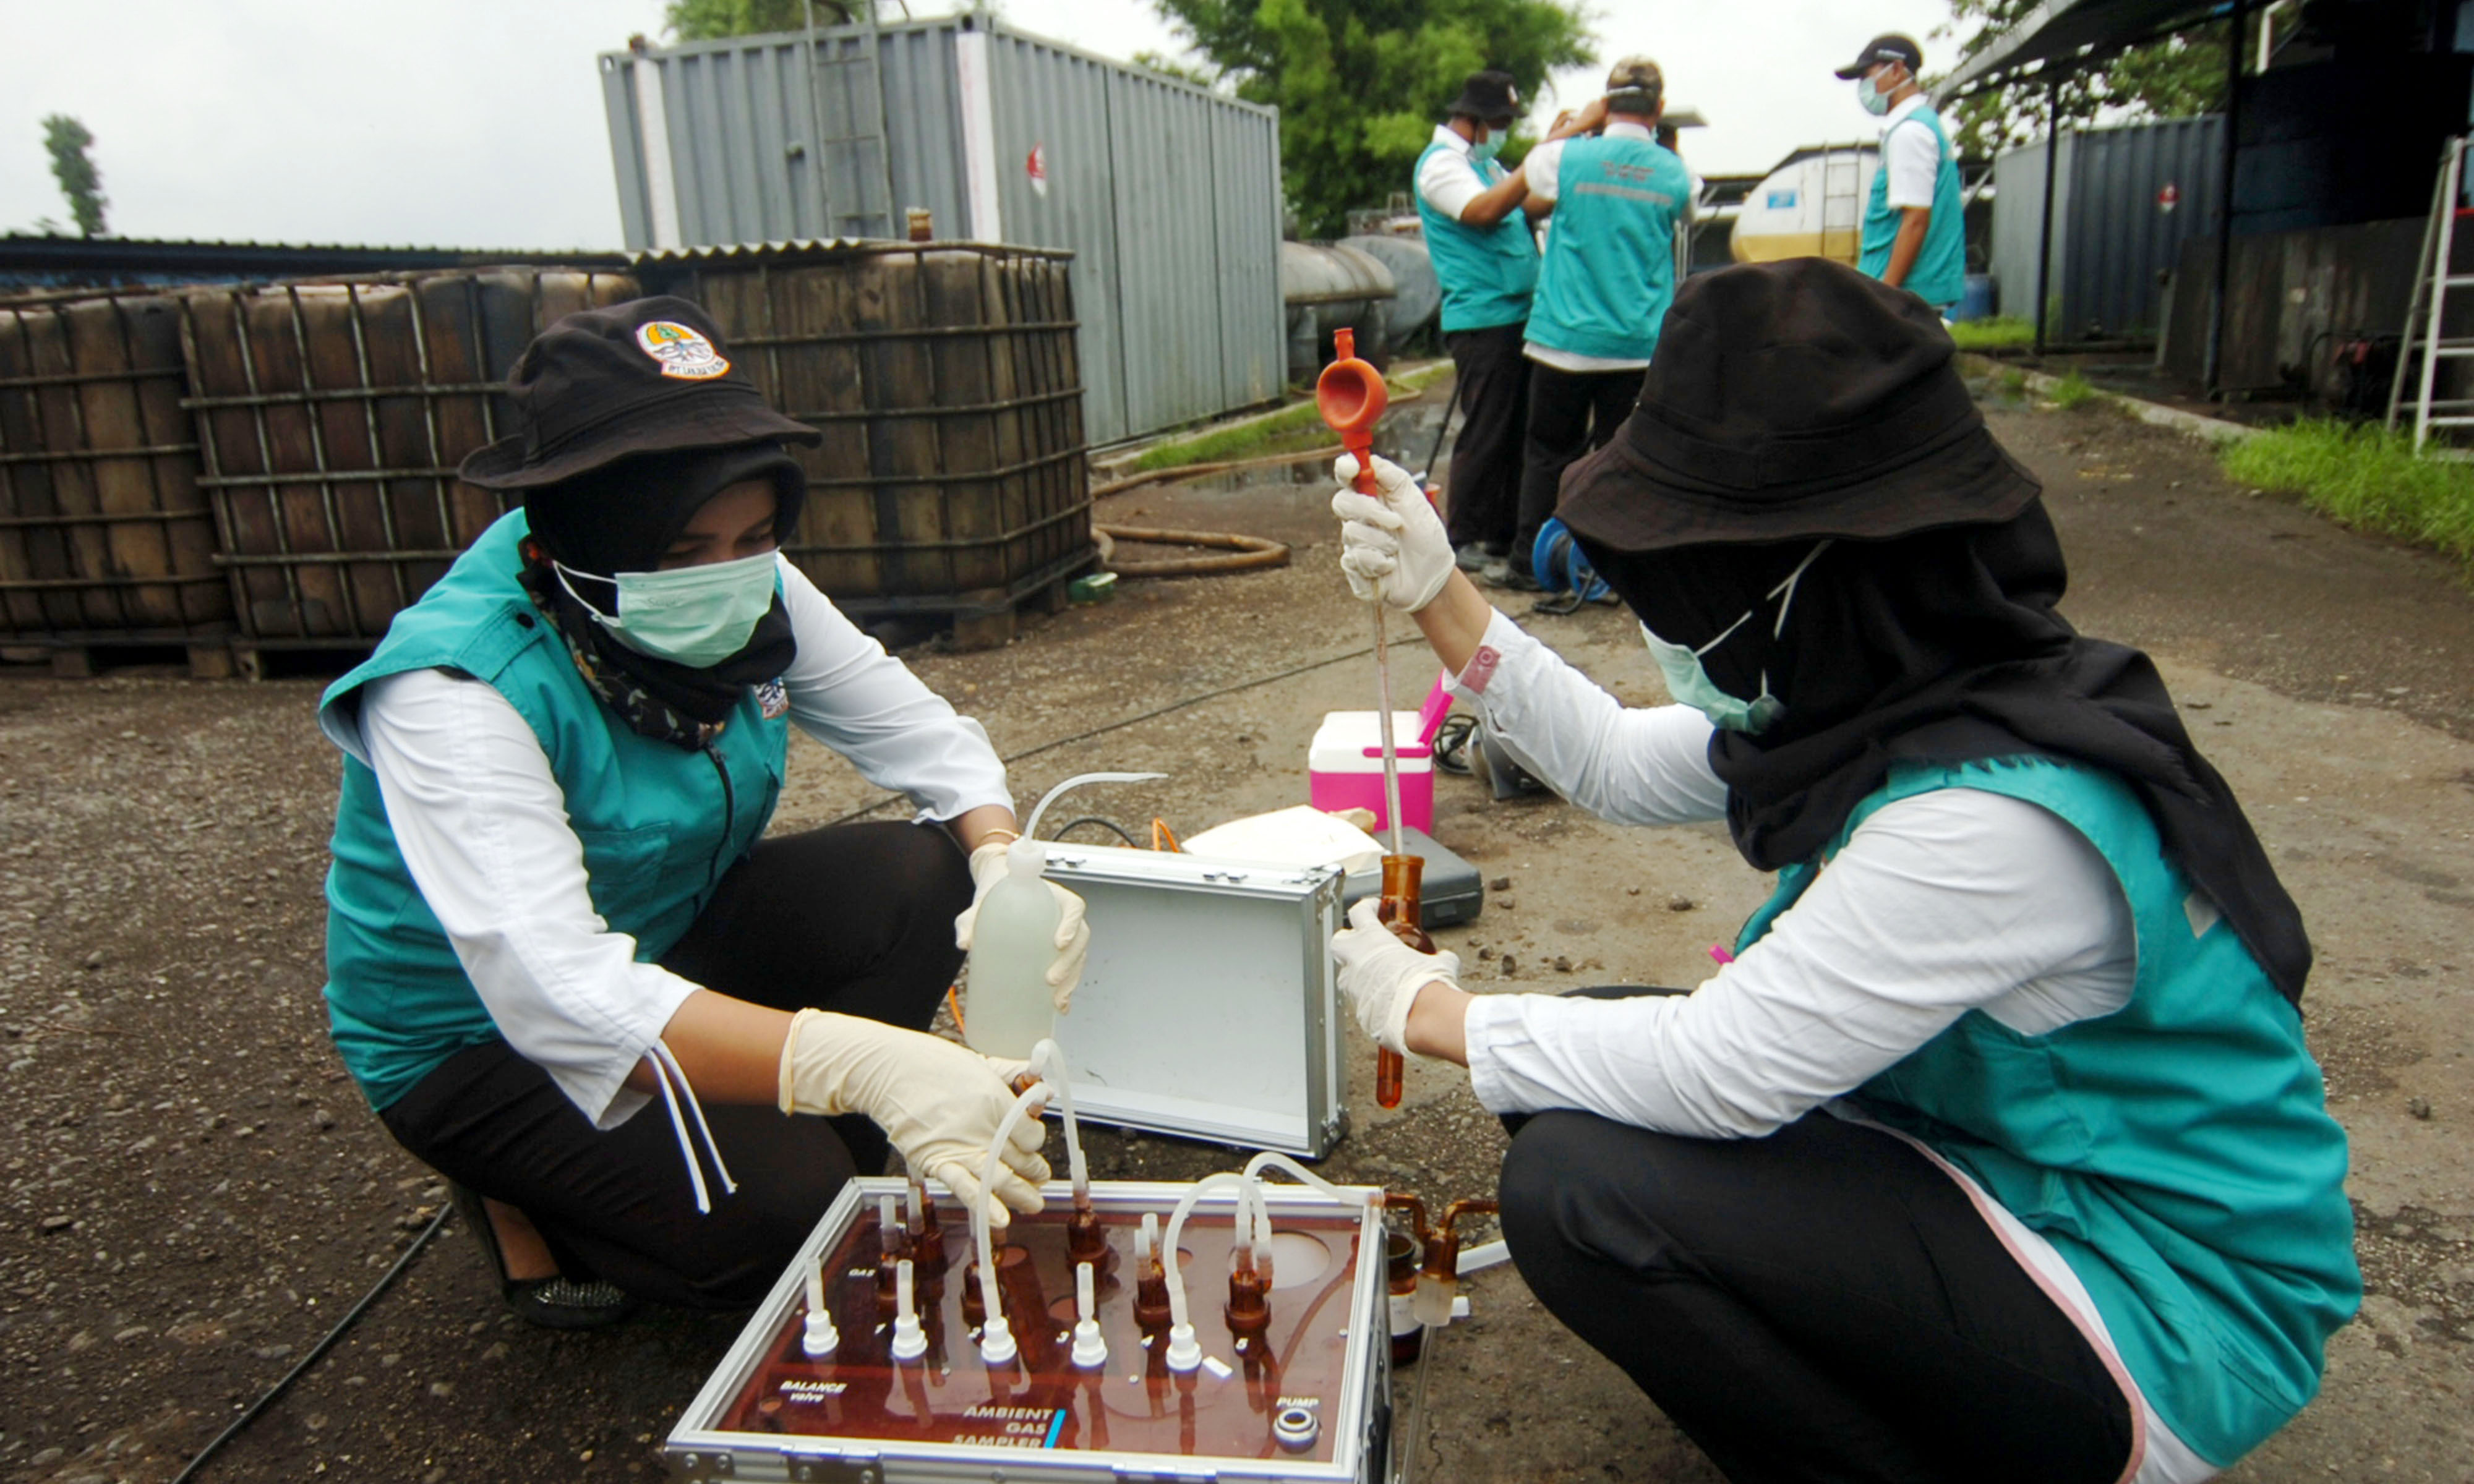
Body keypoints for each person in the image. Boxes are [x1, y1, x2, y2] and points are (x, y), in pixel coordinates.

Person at [1325, 259, 2358, 1482]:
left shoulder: (1992, 823)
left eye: (1693, 574)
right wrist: (1437, 588)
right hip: (2004, 1172)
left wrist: (1429, 1010)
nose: (1670, 616)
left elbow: (1720, 1071)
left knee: (1584, 1187)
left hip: (2162, 1294)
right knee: (1577, 1073)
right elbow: (1614, 761)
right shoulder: (1905, 692)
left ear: (1810, 572)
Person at [317, 298, 1083, 1328]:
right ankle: (536, 1203)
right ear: (578, 540)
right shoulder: (454, 691)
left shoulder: (744, 582)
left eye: (755, 536)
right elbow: (562, 993)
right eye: (682, 550)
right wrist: (856, 1062)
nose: (728, 576)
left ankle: (804, 1156)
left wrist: (1004, 868)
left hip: (659, 939)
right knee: (791, 1227)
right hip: (485, 1036)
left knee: (922, 877)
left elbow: (922, 737)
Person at [1505, 57, 1692, 590]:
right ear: (1659, 107)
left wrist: (1577, 126)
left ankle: (1530, 565)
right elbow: (1687, 210)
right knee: (1622, 460)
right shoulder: (1676, 174)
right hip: (1635, 345)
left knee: (1547, 454)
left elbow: (1531, 170)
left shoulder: (1566, 158)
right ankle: (1614, 571)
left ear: (1606, 103)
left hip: (1563, 340)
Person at [1413, 68, 1540, 583]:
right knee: (1487, 429)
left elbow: (1524, 202)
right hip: (1482, 318)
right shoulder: (1441, 166)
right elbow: (1483, 211)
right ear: (1475, 120)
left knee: (1513, 431)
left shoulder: (1483, 165)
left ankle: (1501, 533)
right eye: (1502, 123)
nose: (1505, 131)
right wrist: (1541, 159)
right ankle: (1463, 536)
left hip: (1513, 313)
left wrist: (1565, 167)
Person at [1838, 32, 1966, 313]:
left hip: (1906, 300)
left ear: (1896, 70)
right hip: (1908, 296)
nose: (1863, 88)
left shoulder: (1910, 133)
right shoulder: (1920, 126)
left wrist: (1885, 300)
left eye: (1867, 76)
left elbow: (1915, 220)